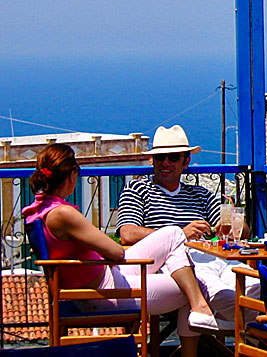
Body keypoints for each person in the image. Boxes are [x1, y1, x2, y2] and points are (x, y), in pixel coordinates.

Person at [22, 143, 227, 357]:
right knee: (195, 285)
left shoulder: (38, 210)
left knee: (174, 233)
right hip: (104, 292)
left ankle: (198, 306)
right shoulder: (63, 214)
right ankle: (197, 316)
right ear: (72, 176)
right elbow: (116, 252)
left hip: (102, 279)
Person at [116, 124, 258, 324]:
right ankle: (251, 331)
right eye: (160, 158)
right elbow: (127, 233)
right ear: (152, 161)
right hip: (176, 265)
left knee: (256, 285)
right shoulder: (138, 190)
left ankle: (250, 328)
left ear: (186, 162)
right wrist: (180, 234)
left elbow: (243, 232)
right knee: (220, 292)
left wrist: (230, 223)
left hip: (215, 257)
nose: (165, 163)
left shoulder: (199, 194)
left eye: (173, 157)